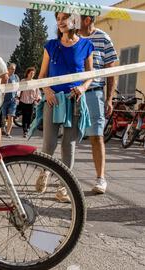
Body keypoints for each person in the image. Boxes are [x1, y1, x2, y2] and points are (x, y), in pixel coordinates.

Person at [31, 12, 94, 203]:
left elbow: (90, 74)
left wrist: (83, 88)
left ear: (74, 20)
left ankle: (63, 189)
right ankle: (44, 172)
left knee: (69, 145)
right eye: (58, 19)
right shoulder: (51, 45)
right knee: (49, 144)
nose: (60, 22)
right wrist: (47, 91)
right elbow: (42, 76)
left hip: (74, 100)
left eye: (64, 17)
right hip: (53, 100)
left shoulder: (86, 45)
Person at [79, 15, 118, 195]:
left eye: (75, 17)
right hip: (71, 94)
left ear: (87, 20)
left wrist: (109, 99)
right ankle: (61, 180)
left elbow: (111, 72)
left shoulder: (103, 38)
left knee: (97, 136)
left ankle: (100, 178)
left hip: (94, 92)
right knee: (68, 139)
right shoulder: (69, 36)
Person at [17, 67, 41, 138]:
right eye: (31, 73)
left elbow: (37, 92)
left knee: (30, 117)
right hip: (23, 101)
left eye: (33, 74)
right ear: (27, 73)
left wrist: (38, 98)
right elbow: (19, 90)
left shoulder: (35, 82)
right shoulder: (23, 81)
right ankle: (25, 131)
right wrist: (17, 97)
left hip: (31, 101)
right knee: (24, 116)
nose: (32, 75)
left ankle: (27, 128)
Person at [2, 63, 20, 138]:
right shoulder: (4, 76)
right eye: (11, 68)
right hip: (3, 100)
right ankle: (3, 129)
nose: (13, 70)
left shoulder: (16, 77)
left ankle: (8, 133)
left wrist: (17, 97)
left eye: (14, 69)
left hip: (13, 100)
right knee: (3, 117)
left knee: (11, 116)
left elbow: (18, 88)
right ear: (8, 69)